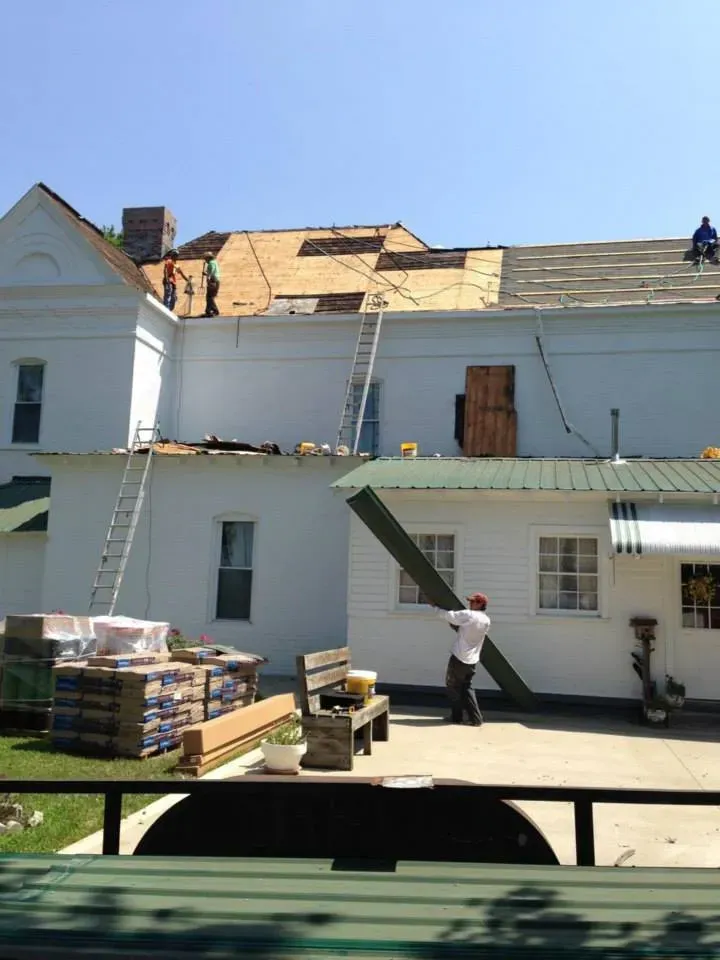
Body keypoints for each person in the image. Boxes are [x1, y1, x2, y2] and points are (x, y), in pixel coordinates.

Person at [439, 592, 491, 726]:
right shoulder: (486, 620)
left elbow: (450, 616)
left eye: (474, 602)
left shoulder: (469, 614)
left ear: (480, 604)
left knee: (453, 687)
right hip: (472, 660)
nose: (470, 604)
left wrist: (435, 608)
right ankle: (476, 718)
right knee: (467, 688)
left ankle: (457, 717)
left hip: (459, 657)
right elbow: (467, 629)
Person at [203, 252, 221, 317]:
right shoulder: (215, 262)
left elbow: (212, 271)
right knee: (209, 296)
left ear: (208, 258)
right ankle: (208, 311)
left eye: (205, 258)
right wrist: (206, 274)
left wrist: (208, 277)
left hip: (213, 281)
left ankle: (215, 311)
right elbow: (212, 271)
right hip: (216, 281)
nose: (205, 260)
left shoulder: (211, 263)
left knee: (210, 297)